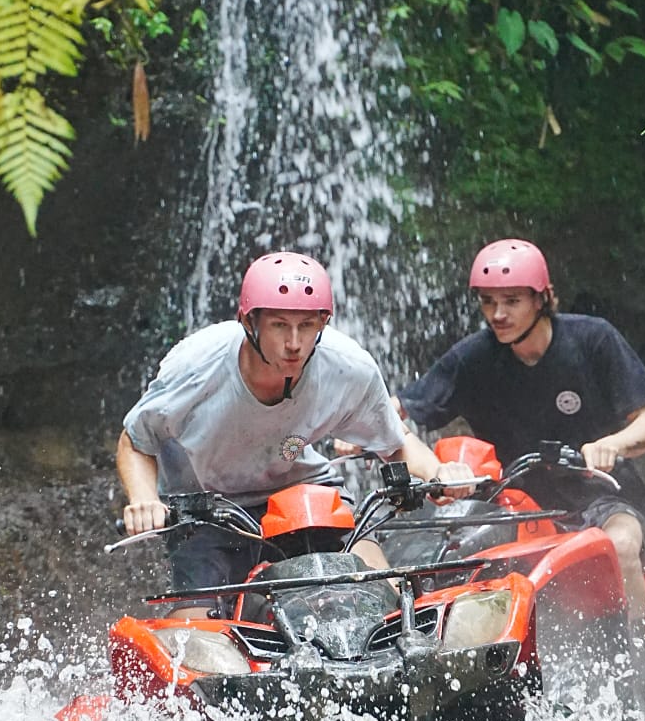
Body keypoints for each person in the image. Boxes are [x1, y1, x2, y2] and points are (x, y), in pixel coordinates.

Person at [117, 251, 472, 591]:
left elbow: (395, 442)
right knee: (196, 634)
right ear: (248, 322)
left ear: (323, 323)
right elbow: (135, 440)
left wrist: (439, 473)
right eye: (279, 326)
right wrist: (144, 500)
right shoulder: (196, 367)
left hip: (304, 495)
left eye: (306, 326)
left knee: (380, 588)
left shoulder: (347, 367)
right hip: (206, 509)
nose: (294, 343)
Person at [395, 238, 645, 627]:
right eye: (488, 302)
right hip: (513, 508)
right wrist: (364, 419)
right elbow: (402, 407)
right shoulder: (474, 358)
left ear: (542, 298)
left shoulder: (593, 340)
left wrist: (610, 444)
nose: (498, 314)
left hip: (602, 495)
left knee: (620, 544)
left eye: (512, 301)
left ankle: (640, 657)